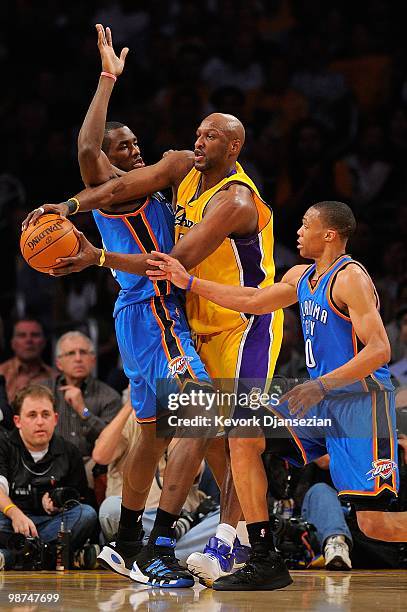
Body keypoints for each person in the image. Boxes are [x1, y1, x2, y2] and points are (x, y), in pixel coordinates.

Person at [22, 25, 289, 590]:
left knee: (167, 431)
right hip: (156, 310)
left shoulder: (182, 181)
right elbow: (89, 154)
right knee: (198, 422)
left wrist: (77, 219)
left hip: (180, 313)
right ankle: (157, 544)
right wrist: (106, 82)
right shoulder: (121, 179)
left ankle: (134, 544)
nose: (133, 153)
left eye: (136, 146)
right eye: (125, 148)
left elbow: (168, 245)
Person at [146, 200, 407, 588]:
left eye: (306, 225)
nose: (298, 231)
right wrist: (190, 282)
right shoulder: (302, 276)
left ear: (330, 235)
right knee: (244, 432)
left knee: (375, 524)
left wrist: (320, 385)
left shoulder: (350, 278)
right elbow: (253, 301)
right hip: (319, 404)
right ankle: (263, 556)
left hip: (360, 405)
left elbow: (379, 350)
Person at [93, 398, 235, 566]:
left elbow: (191, 469)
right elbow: (100, 455)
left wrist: (179, 416)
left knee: (229, 520)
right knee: (110, 509)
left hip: (185, 515)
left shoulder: (195, 419)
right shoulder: (135, 418)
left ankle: (153, 553)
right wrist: (132, 403)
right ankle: (174, 552)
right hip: (141, 518)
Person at [0, 384, 97, 570]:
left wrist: (59, 503)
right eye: (32, 415)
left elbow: (80, 500)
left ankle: (14, 556)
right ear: (17, 421)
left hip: (50, 524)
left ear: (55, 419)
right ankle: (53, 556)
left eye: (45, 415)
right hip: (11, 521)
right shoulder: (4, 445)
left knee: (86, 514)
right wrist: (14, 512)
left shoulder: (69, 451)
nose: (40, 422)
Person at [41, 331, 121, 475]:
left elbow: (113, 444)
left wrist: (83, 410)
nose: (78, 358)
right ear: (59, 363)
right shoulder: (42, 393)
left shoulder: (110, 397)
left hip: (93, 468)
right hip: (48, 463)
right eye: (71, 353)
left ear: (93, 360)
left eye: (83, 352)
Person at [0, 318, 56, 403]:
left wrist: (83, 410)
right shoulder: (1, 373)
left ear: (44, 342)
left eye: (35, 335)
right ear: (13, 343)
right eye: (22, 335)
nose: (29, 340)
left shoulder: (56, 378)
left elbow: (83, 413)